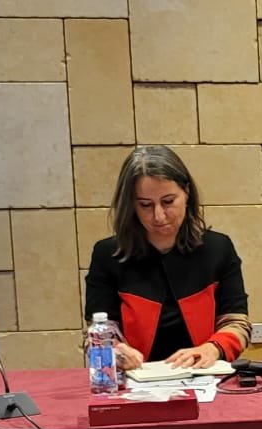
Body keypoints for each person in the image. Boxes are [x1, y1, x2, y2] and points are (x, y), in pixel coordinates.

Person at [85, 146, 250, 370]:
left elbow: (237, 323)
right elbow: (96, 334)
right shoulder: (107, 255)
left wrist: (211, 349)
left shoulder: (218, 248)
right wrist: (112, 351)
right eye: (145, 205)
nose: (159, 216)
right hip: (136, 380)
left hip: (203, 376)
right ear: (131, 205)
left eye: (168, 201)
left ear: (187, 193)